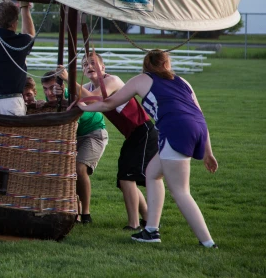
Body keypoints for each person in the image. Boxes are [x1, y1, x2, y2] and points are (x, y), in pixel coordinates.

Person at [76, 50, 219, 247]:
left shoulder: (142, 79)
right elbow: (199, 114)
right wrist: (208, 152)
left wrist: (84, 107)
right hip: (196, 129)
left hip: (174, 130)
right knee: (152, 173)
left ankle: (208, 242)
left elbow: (108, 103)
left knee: (180, 191)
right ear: (167, 65)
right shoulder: (183, 81)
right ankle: (151, 229)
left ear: (145, 65)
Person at [62, 53, 158, 230]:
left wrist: (69, 79)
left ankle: (134, 224)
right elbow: (77, 98)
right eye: (85, 65)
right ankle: (146, 218)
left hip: (144, 131)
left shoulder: (112, 81)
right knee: (125, 180)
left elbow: (93, 98)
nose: (89, 66)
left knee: (126, 178)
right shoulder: (89, 86)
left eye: (93, 63)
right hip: (133, 135)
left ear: (103, 67)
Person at [42, 70, 107, 223]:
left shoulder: (71, 95)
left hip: (93, 133)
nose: (48, 92)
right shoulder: (51, 98)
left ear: (61, 85)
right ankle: (73, 209)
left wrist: (64, 100)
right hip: (73, 136)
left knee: (79, 168)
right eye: (45, 89)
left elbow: (76, 115)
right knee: (65, 170)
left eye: (51, 87)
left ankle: (85, 213)